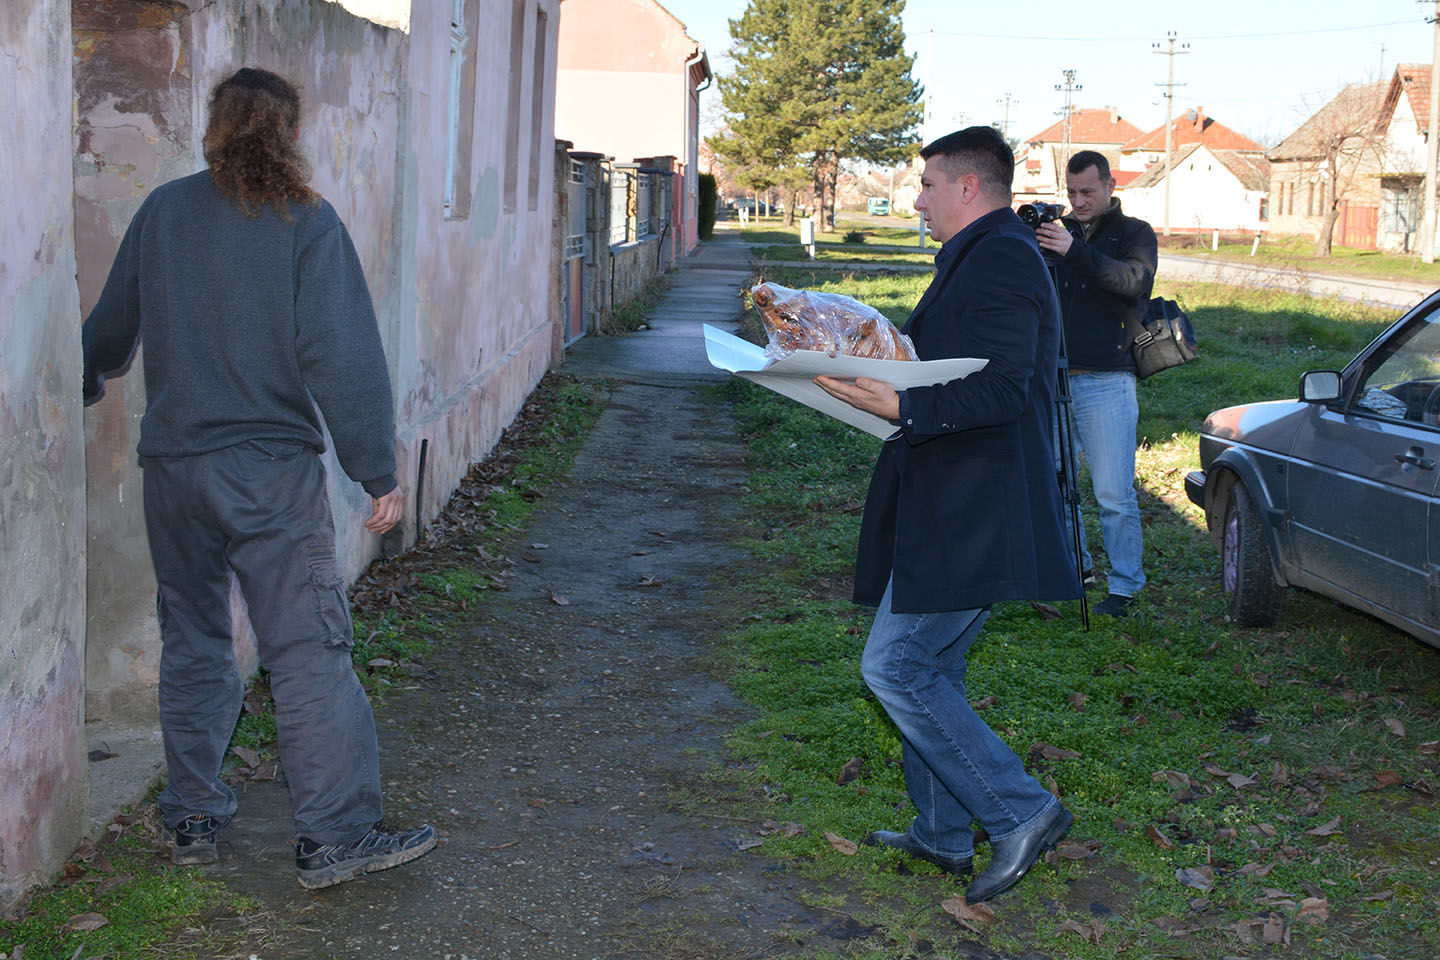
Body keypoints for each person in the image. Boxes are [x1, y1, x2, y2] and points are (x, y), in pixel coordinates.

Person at [81, 67, 435, 890]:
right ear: (289, 131)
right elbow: (340, 355)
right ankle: (337, 834)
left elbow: (110, 327)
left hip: (174, 472)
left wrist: (87, 374)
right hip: (269, 476)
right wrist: (375, 468)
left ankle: (195, 814)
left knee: (197, 636)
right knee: (307, 648)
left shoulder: (164, 212)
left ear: (216, 127)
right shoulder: (305, 222)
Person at [814, 126, 1081, 903]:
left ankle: (1022, 811)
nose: (918, 197)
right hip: (953, 497)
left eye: (928, 183)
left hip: (977, 507)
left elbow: (1004, 386)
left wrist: (900, 401)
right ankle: (941, 832)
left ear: (969, 188)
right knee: (936, 667)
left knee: (895, 666)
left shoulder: (1000, 256)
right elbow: (947, 365)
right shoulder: (982, 253)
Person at [1035, 150, 1158, 617]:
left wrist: (1074, 250)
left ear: (1109, 185)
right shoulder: (1056, 231)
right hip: (1055, 378)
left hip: (1107, 380)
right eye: (1071, 193)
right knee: (1059, 484)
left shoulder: (1135, 233)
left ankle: (1125, 587)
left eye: (1088, 191)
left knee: (1113, 493)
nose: (1078, 201)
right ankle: (1075, 571)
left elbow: (1131, 281)